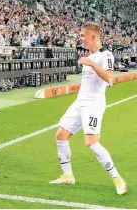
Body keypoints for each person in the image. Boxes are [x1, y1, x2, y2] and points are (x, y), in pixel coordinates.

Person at [49, 22, 127, 195]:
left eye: (83, 35)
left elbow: (110, 78)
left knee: (91, 142)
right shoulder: (89, 57)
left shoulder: (105, 54)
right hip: (80, 101)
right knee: (61, 135)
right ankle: (67, 175)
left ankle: (118, 179)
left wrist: (92, 64)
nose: (81, 38)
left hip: (93, 103)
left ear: (93, 36)